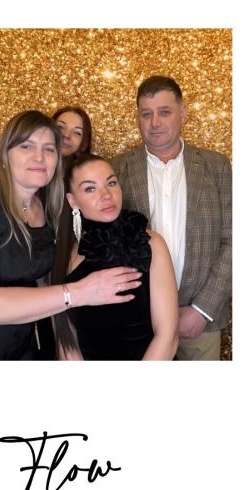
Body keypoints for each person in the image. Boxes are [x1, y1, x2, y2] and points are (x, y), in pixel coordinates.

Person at [0, 110, 141, 360]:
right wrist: (79, 292)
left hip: (34, 346)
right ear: (5, 153)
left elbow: (46, 281)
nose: (39, 157)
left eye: (49, 149)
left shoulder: (47, 207)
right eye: (26, 146)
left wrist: (67, 342)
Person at [112, 75, 232, 360]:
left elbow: (233, 240)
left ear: (184, 114)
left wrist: (202, 309)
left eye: (164, 112)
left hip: (200, 322)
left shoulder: (217, 167)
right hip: (138, 318)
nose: (155, 122)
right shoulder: (116, 169)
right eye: (146, 114)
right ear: (138, 118)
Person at [52, 154, 179, 360]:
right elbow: (66, 340)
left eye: (111, 183)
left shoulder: (150, 243)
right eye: (90, 189)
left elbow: (168, 336)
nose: (106, 195)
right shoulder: (63, 256)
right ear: (72, 200)